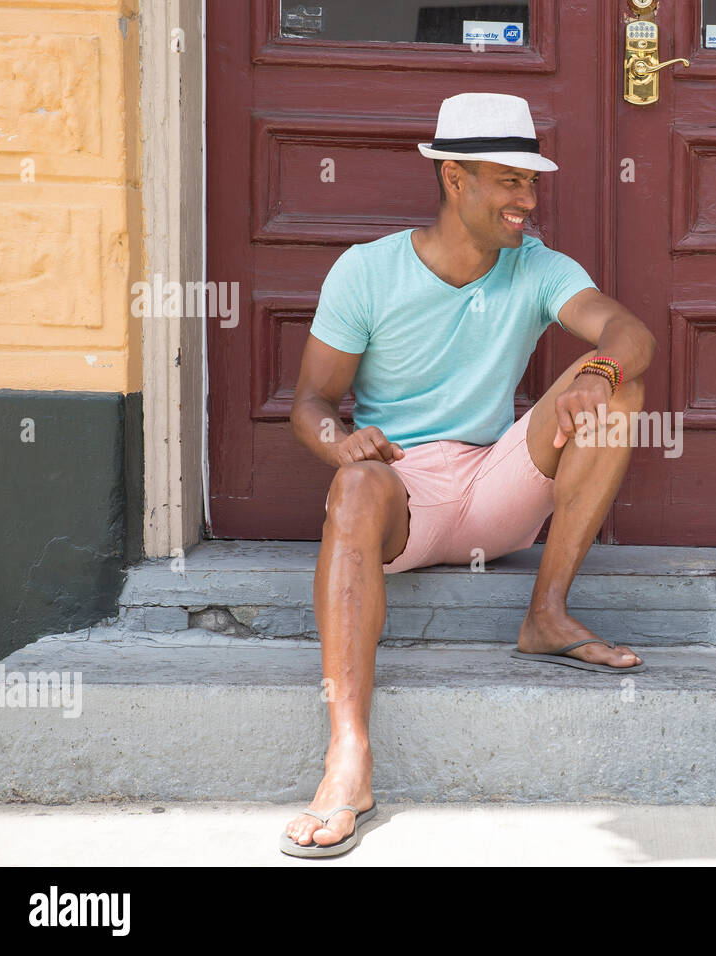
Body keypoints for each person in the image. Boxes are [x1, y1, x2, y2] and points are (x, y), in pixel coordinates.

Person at [279, 93, 656, 857]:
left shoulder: (538, 264)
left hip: (492, 487)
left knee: (622, 386)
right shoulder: (368, 271)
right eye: (509, 181)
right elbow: (311, 401)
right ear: (454, 180)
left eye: (531, 182)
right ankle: (348, 757)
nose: (527, 199)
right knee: (353, 486)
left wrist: (598, 372)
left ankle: (545, 614)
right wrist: (341, 445)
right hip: (401, 494)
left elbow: (629, 332)